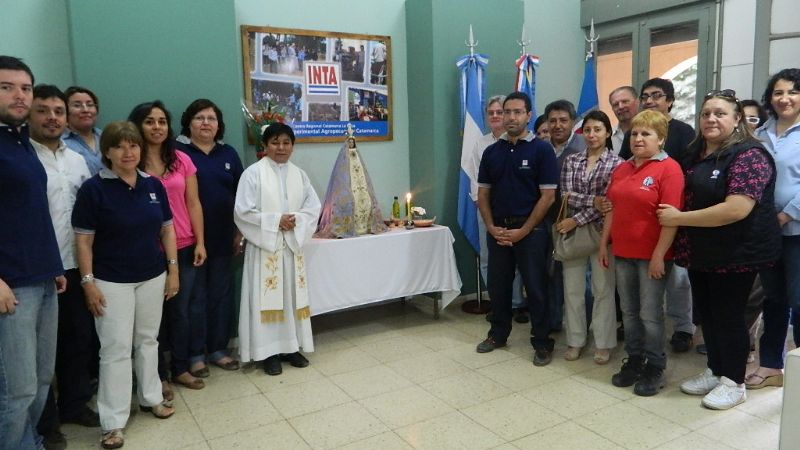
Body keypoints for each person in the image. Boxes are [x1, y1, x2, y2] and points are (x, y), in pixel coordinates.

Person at [657, 89, 781, 409]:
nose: (711, 119)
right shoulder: (696, 152)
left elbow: (736, 209)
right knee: (707, 315)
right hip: (701, 251)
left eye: (720, 113)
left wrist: (679, 217)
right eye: (706, 113)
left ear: (737, 118)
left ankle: (734, 381)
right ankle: (715, 370)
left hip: (737, 253)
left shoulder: (749, 154)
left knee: (730, 317)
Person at [72, 121, 177, 448]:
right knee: (115, 350)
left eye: (133, 145)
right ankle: (113, 422)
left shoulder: (152, 186)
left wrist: (172, 270)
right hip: (110, 281)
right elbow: (83, 242)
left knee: (148, 341)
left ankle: (151, 398)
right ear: (108, 152)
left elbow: (167, 230)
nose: (128, 152)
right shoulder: (94, 189)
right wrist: (88, 283)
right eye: (119, 146)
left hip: (151, 275)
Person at [0, 55, 66, 450]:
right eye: (6, 87)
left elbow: (30, 213)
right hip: (12, 287)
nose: (19, 95)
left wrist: (52, 266)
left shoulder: (20, 142)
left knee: (41, 380)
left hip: (41, 276)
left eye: (25, 87)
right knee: (16, 389)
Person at [599, 110, 684, 396]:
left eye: (646, 133)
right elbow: (612, 209)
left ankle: (655, 365)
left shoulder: (669, 169)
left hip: (652, 256)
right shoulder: (621, 169)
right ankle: (634, 360)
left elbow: (670, 218)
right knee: (630, 313)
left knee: (650, 314)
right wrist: (603, 244)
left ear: (660, 139)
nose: (638, 138)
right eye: (635, 133)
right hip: (622, 252)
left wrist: (660, 254)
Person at [29, 84, 97, 444]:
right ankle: (46, 424)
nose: (52, 117)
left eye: (58, 111)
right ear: (30, 114)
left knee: (78, 340)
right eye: (44, 110)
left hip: (76, 263)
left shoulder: (76, 159)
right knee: (42, 351)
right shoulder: (24, 157)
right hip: (38, 268)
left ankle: (75, 403)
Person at [129, 101, 210, 397]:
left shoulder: (181, 160)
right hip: (149, 251)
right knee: (152, 318)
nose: (157, 127)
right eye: (150, 121)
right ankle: (157, 375)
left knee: (181, 313)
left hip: (186, 245)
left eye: (162, 121)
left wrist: (200, 241)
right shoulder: (130, 160)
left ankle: (180, 368)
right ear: (138, 125)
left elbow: (193, 203)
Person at [475, 91, 558, 367]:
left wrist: (523, 230)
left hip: (531, 233)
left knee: (535, 288)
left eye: (516, 112)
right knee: (498, 288)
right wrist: (490, 226)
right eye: (506, 112)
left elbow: (547, 197)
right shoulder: (491, 152)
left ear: (528, 116)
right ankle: (498, 334)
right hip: (498, 231)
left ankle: (542, 342)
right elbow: (483, 194)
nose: (510, 117)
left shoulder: (542, 150)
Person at [234, 123, 321, 375]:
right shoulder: (252, 174)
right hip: (265, 248)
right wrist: (275, 220)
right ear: (265, 145)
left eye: (286, 142)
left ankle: (291, 348)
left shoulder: (299, 175)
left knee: (291, 297)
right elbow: (243, 211)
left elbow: (312, 207)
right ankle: (268, 353)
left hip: (291, 247)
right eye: (275, 142)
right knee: (268, 299)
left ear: (293, 145)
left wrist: (295, 220)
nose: (281, 147)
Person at [619, 77, 696, 353]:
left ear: (670, 100)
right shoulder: (628, 155)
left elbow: (690, 175)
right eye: (646, 95)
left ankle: (681, 330)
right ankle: (635, 355)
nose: (650, 100)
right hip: (630, 241)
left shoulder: (683, 134)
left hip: (672, 221)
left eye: (657, 95)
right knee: (634, 308)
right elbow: (619, 186)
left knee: (675, 286)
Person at [176, 99, 243, 378]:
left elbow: (242, 196)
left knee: (221, 295)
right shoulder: (178, 153)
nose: (206, 123)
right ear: (188, 123)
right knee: (195, 299)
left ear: (219, 125)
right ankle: (194, 355)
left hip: (223, 238)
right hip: (189, 240)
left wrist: (239, 232)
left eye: (211, 118)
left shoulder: (228, 153)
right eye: (200, 118)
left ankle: (218, 349)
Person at [747, 68, 800, 390]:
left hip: (796, 232)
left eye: (792, 92)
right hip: (766, 234)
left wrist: (785, 215)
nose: (785, 99)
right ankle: (771, 365)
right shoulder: (760, 133)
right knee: (773, 298)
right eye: (778, 93)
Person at [557, 110, 623, 364]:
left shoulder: (617, 164)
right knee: (572, 290)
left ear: (608, 133)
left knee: (603, 289)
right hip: (572, 234)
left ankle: (604, 343)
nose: (592, 134)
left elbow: (609, 203)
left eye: (598, 129)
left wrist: (578, 217)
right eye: (587, 130)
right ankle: (575, 340)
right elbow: (566, 194)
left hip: (602, 234)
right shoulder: (571, 160)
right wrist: (592, 202)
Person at [468, 95, 528, 323]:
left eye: (499, 112)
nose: (495, 116)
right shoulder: (481, 144)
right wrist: (482, 205)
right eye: (490, 113)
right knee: (488, 259)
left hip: (512, 210)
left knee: (516, 259)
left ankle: (516, 303)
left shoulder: (520, 143)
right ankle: (498, 303)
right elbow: (475, 178)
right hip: (486, 209)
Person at [544, 100, 584, 333]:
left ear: (573, 122)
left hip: (578, 221)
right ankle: (554, 320)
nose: (558, 125)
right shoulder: (541, 148)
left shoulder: (583, 146)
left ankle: (580, 326)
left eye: (563, 120)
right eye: (553, 121)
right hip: (548, 220)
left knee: (580, 280)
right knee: (551, 273)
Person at [63, 86, 103, 175]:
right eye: (77, 105)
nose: (85, 110)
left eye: (90, 105)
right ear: (64, 111)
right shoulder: (60, 143)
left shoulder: (106, 137)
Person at [608, 86, 639, 155]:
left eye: (625, 102)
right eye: (615, 104)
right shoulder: (607, 137)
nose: (620, 107)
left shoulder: (651, 133)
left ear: (637, 102)